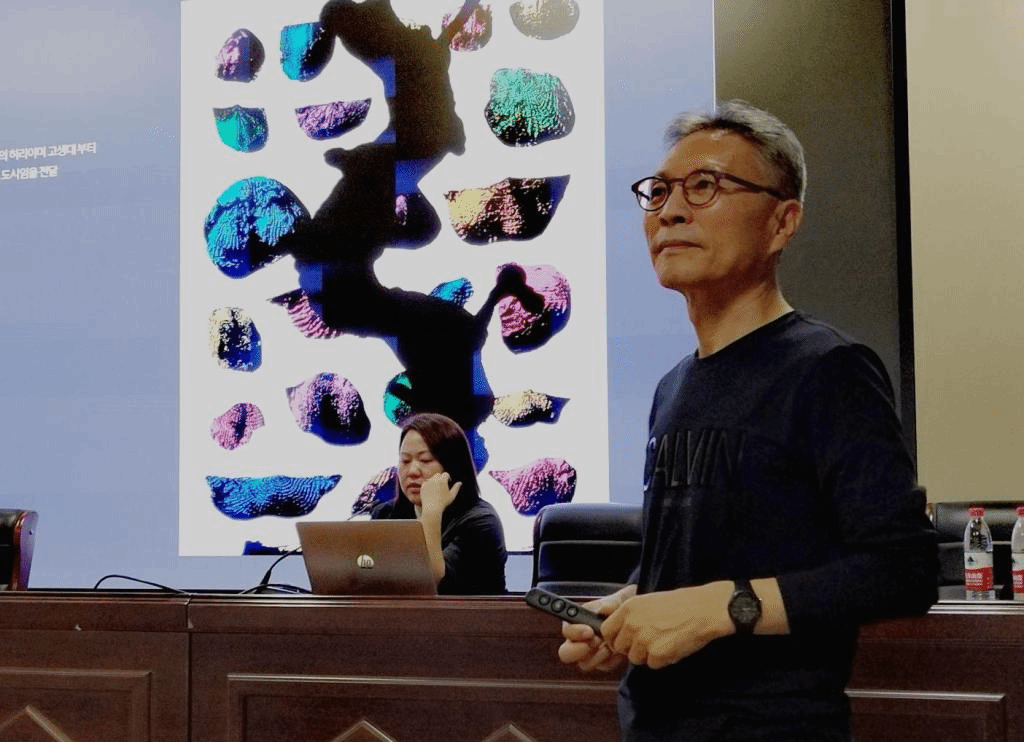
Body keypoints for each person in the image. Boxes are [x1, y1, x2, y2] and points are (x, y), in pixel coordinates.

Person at [557, 100, 938, 741]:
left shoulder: (828, 369)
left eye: (705, 186)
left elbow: (902, 570)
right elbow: (704, 555)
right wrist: (634, 605)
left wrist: (717, 607)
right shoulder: (672, 387)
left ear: (782, 222)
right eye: (658, 192)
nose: (670, 211)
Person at [372, 412, 507, 595]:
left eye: (425, 460)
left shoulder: (481, 522)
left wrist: (431, 513)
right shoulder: (386, 514)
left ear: (452, 467)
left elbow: (433, 586)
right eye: (405, 460)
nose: (412, 471)